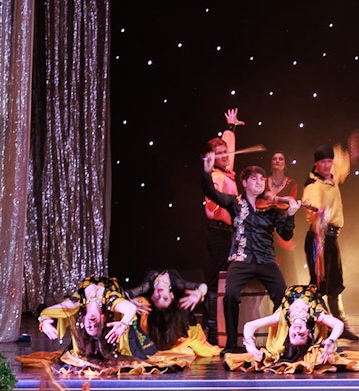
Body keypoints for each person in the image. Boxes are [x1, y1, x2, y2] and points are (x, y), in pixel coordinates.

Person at [201, 156, 303, 354]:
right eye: (254, 179)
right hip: (242, 259)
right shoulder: (234, 203)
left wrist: (290, 215)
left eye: (261, 179)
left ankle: (280, 341)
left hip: (266, 260)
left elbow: (285, 234)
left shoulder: (272, 208)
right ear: (245, 182)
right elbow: (210, 192)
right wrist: (206, 172)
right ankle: (231, 344)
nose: (259, 182)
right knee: (230, 296)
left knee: (283, 296)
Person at [302, 140, 358, 339]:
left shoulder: (332, 177)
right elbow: (311, 206)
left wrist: (353, 152)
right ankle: (321, 325)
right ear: (316, 164)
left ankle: (340, 326)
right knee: (319, 284)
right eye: (323, 162)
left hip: (332, 238)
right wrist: (319, 212)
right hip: (319, 238)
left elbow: (343, 162)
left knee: (335, 282)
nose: (328, 166)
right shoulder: (313, 185)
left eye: (330, 162)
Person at [229, 284, 347, 373]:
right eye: (301, 335)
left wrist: (249, 342)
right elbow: (339, 324)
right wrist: (331, 340)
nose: (297, 331)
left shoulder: (281, 317)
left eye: (294, 335)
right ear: (309, 333)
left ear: (288, 332)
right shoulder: (315, 315)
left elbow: (249, 325)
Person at [38, 276, 155, 361]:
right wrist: (123, 323)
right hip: (125, 295)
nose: (92, 323)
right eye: (97, 326)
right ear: (103, 319)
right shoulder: (110, 300)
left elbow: (48, 311)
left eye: (89, 326)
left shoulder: (77, 302)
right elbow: (130, 308)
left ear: (83, 319)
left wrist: (44, 321)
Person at [203, 108, 243, 338]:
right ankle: (211, 327)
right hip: (218, 233)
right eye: (219, 154)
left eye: (225, 152)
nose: (226, 155)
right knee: (215, 279)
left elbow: (228, 143)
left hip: (230, 233)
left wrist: (231, 126)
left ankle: (224, 324)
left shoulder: (227, 169)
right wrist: (228, 202)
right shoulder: (216, 178)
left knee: (228, 278)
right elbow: (211, 210)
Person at [124, 268, 214, 352]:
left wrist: (130, 301)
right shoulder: (175, 283)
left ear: (152, 297)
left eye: (157, 298)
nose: (160, 294)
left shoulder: (148, 286)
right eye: (165, 298)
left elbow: (121, 294)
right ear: (171, 295)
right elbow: (203, 286)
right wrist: (199, 293)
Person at [265, 150, 301, 283]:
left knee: (286, 268)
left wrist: (276, 198)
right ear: (271, 163)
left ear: (285, 164)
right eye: (275, 159)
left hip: (282, 224)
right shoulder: (263, 181)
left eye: (281, 159)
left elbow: (291, 200)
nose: (277, 161)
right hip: (266, 227)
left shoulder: (292, 183)